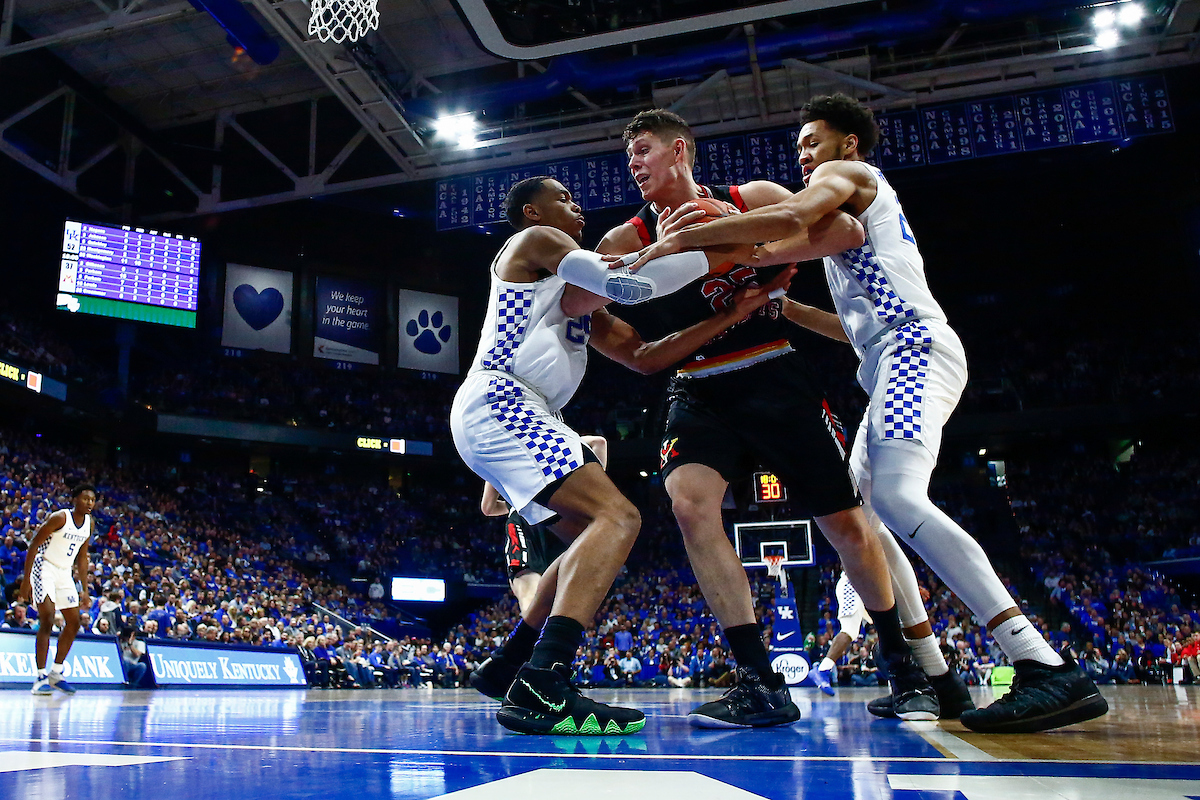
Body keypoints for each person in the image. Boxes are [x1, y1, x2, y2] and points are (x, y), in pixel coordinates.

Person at [628, 94, 1108, 734]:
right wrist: (779, 303)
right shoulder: (839, 214)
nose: (804, 156)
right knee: (872, 517)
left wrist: (690, 238)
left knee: (901, 502)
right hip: (883, 354)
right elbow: (850, 323)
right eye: (799, 147)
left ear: (849, 144)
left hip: (913, 346)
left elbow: (798, 215)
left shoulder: (846, 178)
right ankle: (931, 674)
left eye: (813, 142)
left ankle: (1040, 661)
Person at [596, 109, 937, 727]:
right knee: (688, 505)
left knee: (845, 522)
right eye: (628, 157)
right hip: (696, 381)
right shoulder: (624, 240)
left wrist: (736, 238)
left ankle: (903, 665)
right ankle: (758, 679)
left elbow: (839, 232)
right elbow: (591, 307)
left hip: (773, 371)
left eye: (644, 150)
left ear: (680, 150)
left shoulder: (750, 197)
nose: (634, 164)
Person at [452, 175, 783, 735]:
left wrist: (729, 313)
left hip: (516, 411)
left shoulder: (571, 300)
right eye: (564, 197)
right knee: (620, 516)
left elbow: (646, 357)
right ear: (533, 211)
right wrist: (707, 246)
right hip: (503, 398)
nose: (576, 204)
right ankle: (544, 682)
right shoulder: (533, 242)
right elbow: (627, 284)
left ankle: (511, 663)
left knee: (595, 535)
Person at [477, 435, 608, 618]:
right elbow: (599, 442)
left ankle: (533, 644)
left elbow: (488, 508)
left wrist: (513, 504)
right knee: (562, 599)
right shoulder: (555, 443)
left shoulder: (505, 451)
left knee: (530, 595)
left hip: (524, 519)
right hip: (560, 517)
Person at [20, 484, 96, 695]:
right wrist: (26, 581)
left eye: (92, 500)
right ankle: (40, 677)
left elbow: (82, 557)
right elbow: (34, 545)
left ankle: (56, 672)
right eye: (85, 499)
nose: (89, 503)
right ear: (74, 500)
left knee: (74, 622)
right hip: (43, 566)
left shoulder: (89, 523)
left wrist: (84, 588)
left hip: (64, 572)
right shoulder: (60, 517)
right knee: (48, 618)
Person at [812, 566, 872, 696]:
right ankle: (822, 670)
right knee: (849, 630)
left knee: (884, 624)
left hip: (867, 586)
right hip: (854, 584)